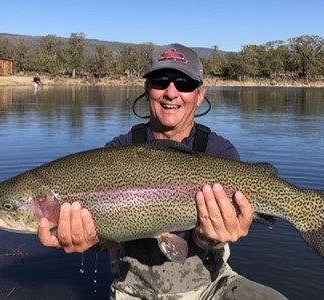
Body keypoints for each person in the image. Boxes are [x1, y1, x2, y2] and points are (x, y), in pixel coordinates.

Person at [38, 43, 288, 300]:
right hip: (134, 292)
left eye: (184, 83)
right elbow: (111, 241)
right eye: (159, 81)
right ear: (147, 90)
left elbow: (217, 235)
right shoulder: (118, 152)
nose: (171, 92)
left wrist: (210, 237)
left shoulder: (218, 152)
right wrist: (91, 241)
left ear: (200, 94)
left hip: (212, 287)